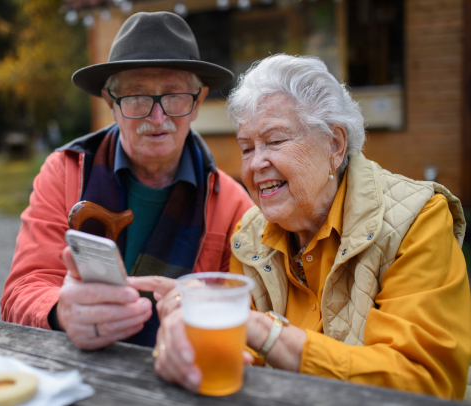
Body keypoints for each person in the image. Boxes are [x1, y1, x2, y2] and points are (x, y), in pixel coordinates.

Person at [146, 54, 471, 399]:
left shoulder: (417, 220)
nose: (256, 163)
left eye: (274, 141)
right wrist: (185, 345)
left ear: (334, 144)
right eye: (246, 147)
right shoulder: (251, 234)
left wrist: (267, 332)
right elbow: (242, 367)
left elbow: (426, 381)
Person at [0, 12, 253, 350]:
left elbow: (246, 310)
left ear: (197, 102)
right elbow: (23, 290)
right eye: (137, 97)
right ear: (110, 103)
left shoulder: (232, 203)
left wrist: (195, 307)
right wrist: (62, 310)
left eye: (174, 96)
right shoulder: (64, 174)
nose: (158, 117)